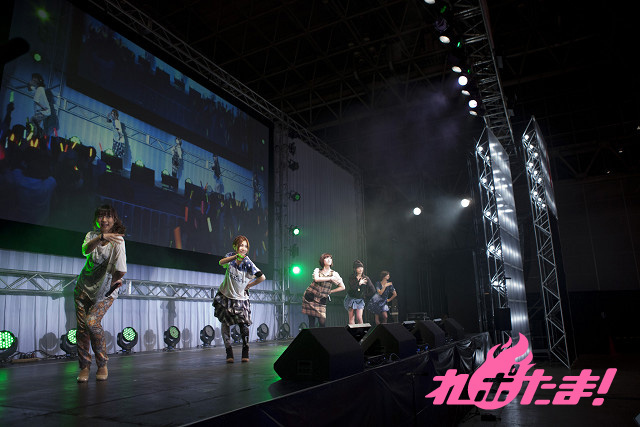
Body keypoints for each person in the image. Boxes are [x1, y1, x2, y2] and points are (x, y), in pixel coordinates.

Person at [74, 205, 127, 382]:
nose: (104, 220)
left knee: (91, 323)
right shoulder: (91, 236)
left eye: (108, 216)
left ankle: (102, 364)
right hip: (83, 289)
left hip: (104, 293)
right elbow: (85, 250)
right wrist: (101, 237)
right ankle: (84, 367)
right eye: (100, 216)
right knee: (82, 329)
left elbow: (121, 270)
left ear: (114, 219)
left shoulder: (118, 241)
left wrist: (112, 283)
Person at [213, 235, 265, 363]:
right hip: (225, 296)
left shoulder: (248, 262)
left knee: (243, 325)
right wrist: (235, 257)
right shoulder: (230, 257)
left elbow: (262, 277)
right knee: (225, 323)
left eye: (245, 246)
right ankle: (229, 352)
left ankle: (245, 351)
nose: (243, 248)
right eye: (241, 245)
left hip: (241, 298)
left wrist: (249, 285)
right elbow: (221, 262)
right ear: (235, 246)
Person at [301, 253, 345, 328]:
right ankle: (312, 335)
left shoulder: (334, 274)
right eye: (326, 258)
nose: (329, 259)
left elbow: (342, 287)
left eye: (330, 258)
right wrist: (330, 278)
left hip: (321, 299)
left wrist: (330, 291)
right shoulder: (317, 270)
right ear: (322, 260)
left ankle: (321, 335)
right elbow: (316, 279)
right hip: (311, 296)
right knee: (311, 322)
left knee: (322, 322)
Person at [344, 260, 375, 325]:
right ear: (355, 269)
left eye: (361, 267)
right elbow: (352, 288)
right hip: (351, 298)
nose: (360, 269)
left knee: (359, 317)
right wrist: (359, 283)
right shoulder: (352, 277)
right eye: (358, 268)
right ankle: (352, 331)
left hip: (360, 299)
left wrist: (365, 296)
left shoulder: (366, 278)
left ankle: (361, 330)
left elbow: (373, 290)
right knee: (351, 318)